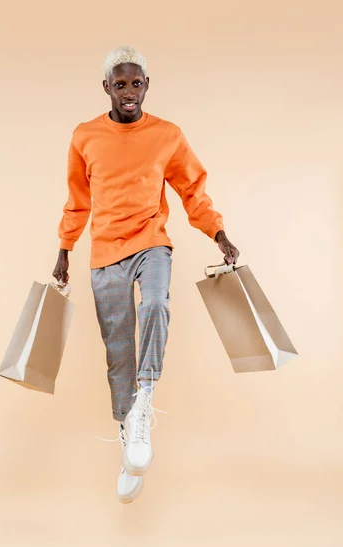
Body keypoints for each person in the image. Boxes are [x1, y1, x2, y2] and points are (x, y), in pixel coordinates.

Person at [52, 46, 240, 504]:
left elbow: (192, 190)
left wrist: (219, 233)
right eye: (120, 84)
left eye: (137, 83)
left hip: (151, 241)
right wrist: (64, 250)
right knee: (118, 347)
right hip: (104, 251)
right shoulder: (84, 136)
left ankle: (144, 399)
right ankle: (128, 437)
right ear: (106, 89)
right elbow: (78, 200)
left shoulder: (167, 135)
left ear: (147, 86)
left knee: (156, 303)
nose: (129, 92)